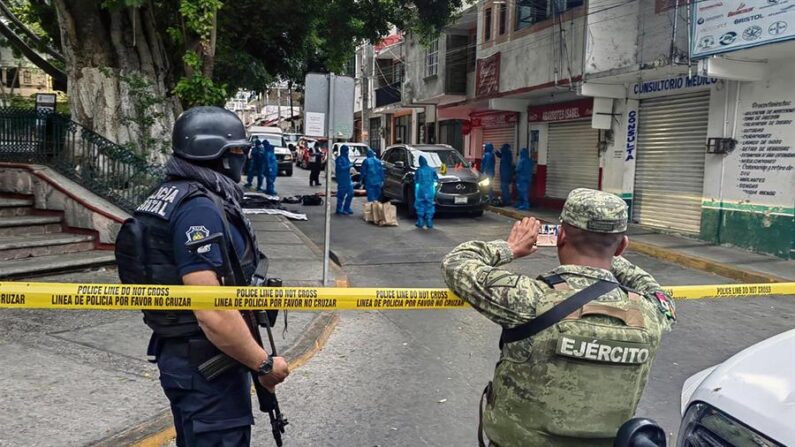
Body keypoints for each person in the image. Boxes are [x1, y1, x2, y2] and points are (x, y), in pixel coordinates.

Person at [441, 188, 676, 447]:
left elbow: (457, 263)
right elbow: (656, 291)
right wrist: (608, 252)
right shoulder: (650, 312)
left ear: (560, 236)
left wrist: (510, 248)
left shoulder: (531, 299)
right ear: (622, 245)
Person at [116, 106, 289, 446]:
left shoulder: (172, 193)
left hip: (189, 357)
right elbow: (211, 310)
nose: (243, 158)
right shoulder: (199, 208)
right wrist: (264, 365)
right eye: (238, 150)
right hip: (207, 364)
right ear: (219, 155)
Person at [414, 155, 438, 229]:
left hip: (421, 189)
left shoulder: (419, 170)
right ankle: (429, 221)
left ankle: (420, 221)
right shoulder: (432, 170)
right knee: (429, 204)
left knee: (420, 204)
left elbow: (416, 180)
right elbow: (436, 178)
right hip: (430, 189)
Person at [335, 145, 354, 215]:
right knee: (341, 195)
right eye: (346, 150)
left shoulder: (346, 158)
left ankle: (347, 207)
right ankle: (339, 208)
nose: (347, 152)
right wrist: (349, 166)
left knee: (351, 193)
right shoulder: (339, 159)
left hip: (347, 178)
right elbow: (341, 168)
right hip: (342, 179)